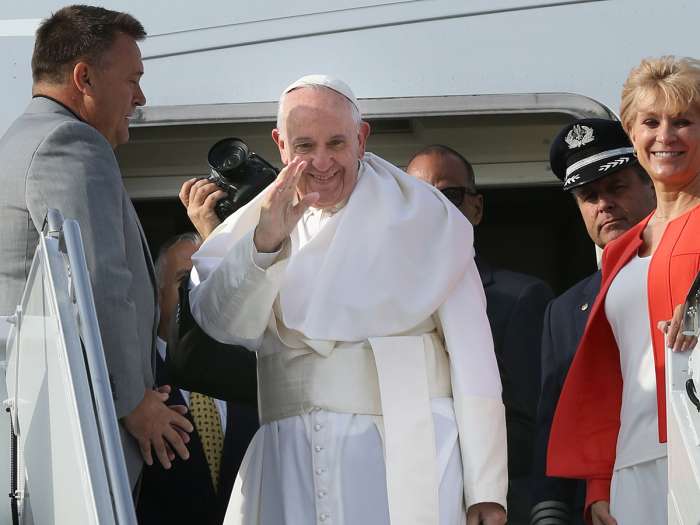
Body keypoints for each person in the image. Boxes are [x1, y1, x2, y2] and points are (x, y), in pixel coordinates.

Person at [189, 74, 508, 525]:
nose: (322, 162)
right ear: (281, 146)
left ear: (361, 138)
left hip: (406, 456)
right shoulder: (255, 221)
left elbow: (474, 361)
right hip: (289, 461)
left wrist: (486, 489)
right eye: (305, 147)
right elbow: (225, 325)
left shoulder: (426, 218)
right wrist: (265, 243)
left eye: (336, 143)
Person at [0, 5, 192, 487]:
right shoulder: (72, 142)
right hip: (76, 435)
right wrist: (131, 402)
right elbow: (97, 284)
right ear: (84, 77)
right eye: (132, 80)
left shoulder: (21, 139)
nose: (140, 97)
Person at [548, 56, 700, 525]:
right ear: (632, 136)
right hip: (633, 462)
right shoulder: (621, 252)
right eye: (650, 122)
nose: (666, 136)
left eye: (684, 122)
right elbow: (610, 374)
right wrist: (599, 482)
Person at [406, 145, 554, 525]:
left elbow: (529, 428)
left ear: (477, 207)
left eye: (450, 195)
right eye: (419, 196)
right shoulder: (383, 304)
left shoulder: (521, 297)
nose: (435, 207)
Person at [529, 119, 656, 525]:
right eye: (589, 196)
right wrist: (549, 509)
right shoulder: (564, 310)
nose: (603, 204)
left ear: (650, 184)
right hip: (601, 507)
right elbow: (554, 417)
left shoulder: (688, 269)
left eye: (617, 187)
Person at [137, 233, 258, 525]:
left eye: (211, 284)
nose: (201, 296)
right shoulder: (134, 384)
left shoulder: (256, 372)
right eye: (184, 283)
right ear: (156, 293)